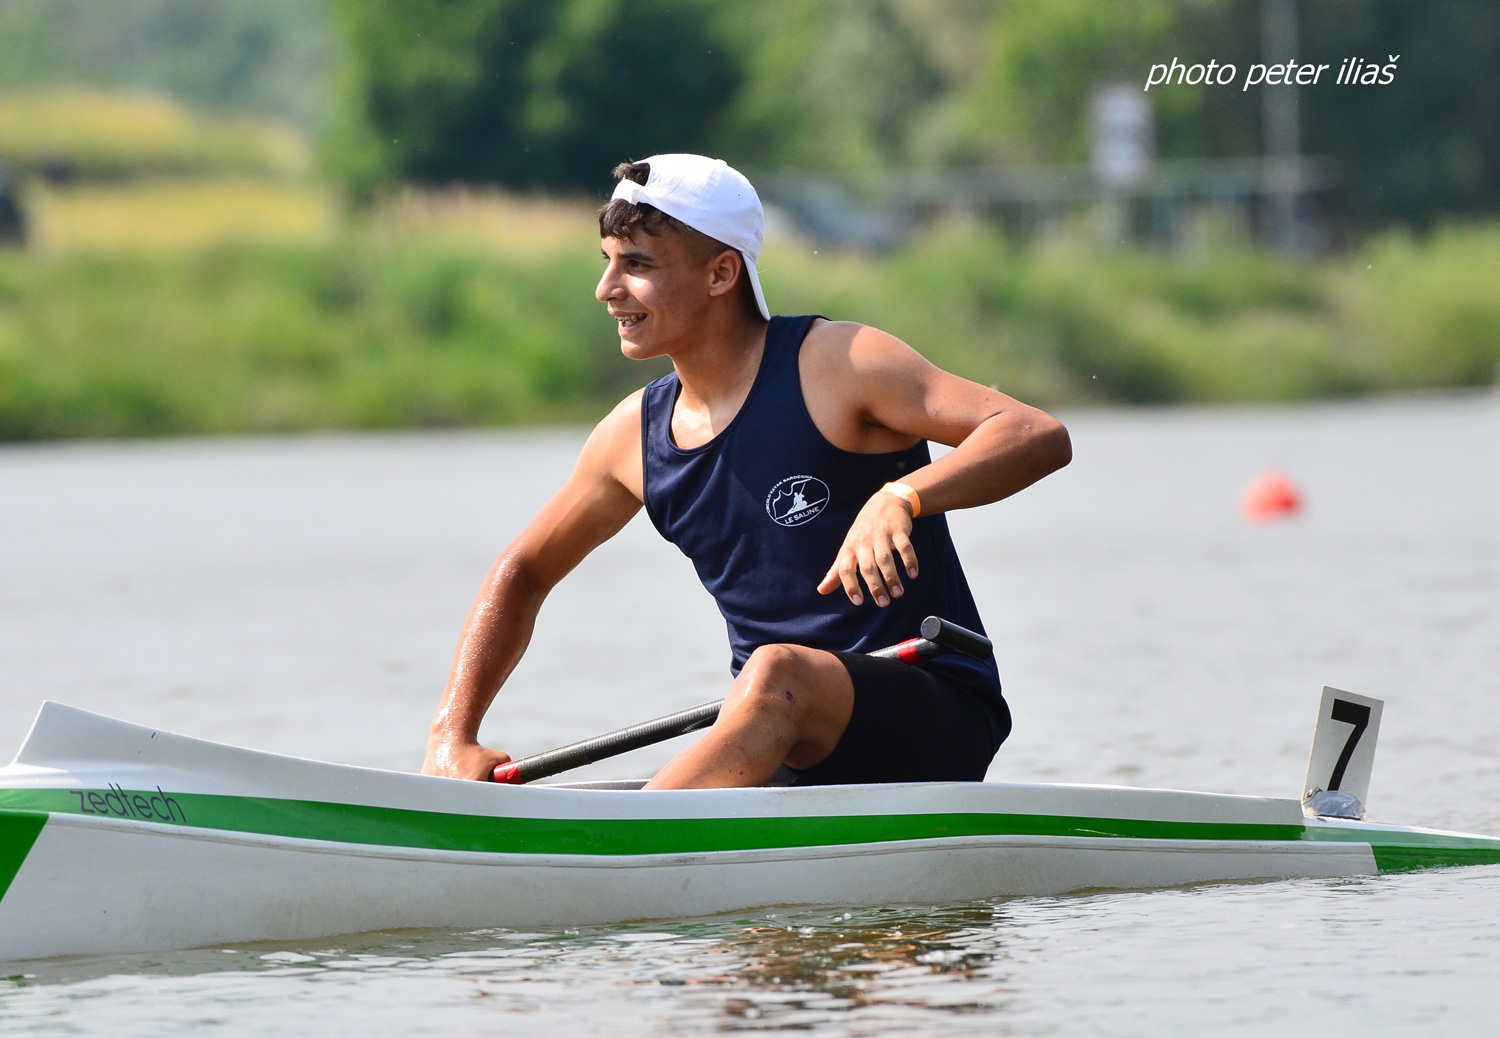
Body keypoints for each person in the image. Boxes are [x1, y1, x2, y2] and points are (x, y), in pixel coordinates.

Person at [421, 154, 1071, 789]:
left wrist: (904, 496)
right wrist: (452, 735)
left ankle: (627, 846)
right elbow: (524, 572)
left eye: (638, 265)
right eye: (608, 263)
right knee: (769, 681)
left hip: (936, 711)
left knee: (772, 673)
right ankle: (645, 830)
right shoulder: (631, 438)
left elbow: (1034, 434)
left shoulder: (837, 364)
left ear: (721, 273)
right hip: (786, 736)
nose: (607, 289)